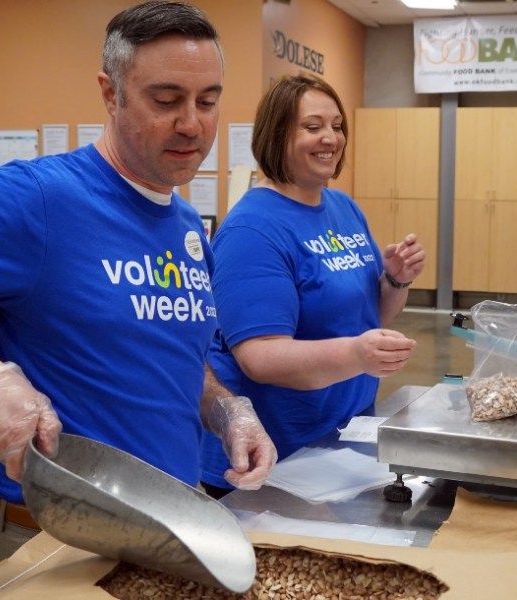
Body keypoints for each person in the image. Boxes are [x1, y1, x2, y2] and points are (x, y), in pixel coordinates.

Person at [0, 1, 276, 574]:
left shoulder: (186, 226)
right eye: (166, 101)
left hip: (172, 536)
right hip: (49, 546)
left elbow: (171, 350)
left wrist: (225, 409)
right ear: (110, 94)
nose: (193, 123)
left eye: (208, 101)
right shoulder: (34, 200)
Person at [199, 73, 424, 499]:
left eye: (337, 126)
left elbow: (369, 315)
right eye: (313, 126)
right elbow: (260, 357)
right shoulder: (253, 228)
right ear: (277, 135)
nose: (331, 138)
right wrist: (356, 354)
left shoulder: (343, 207)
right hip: (274, 456)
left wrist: (395, 278)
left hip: (343, 435)